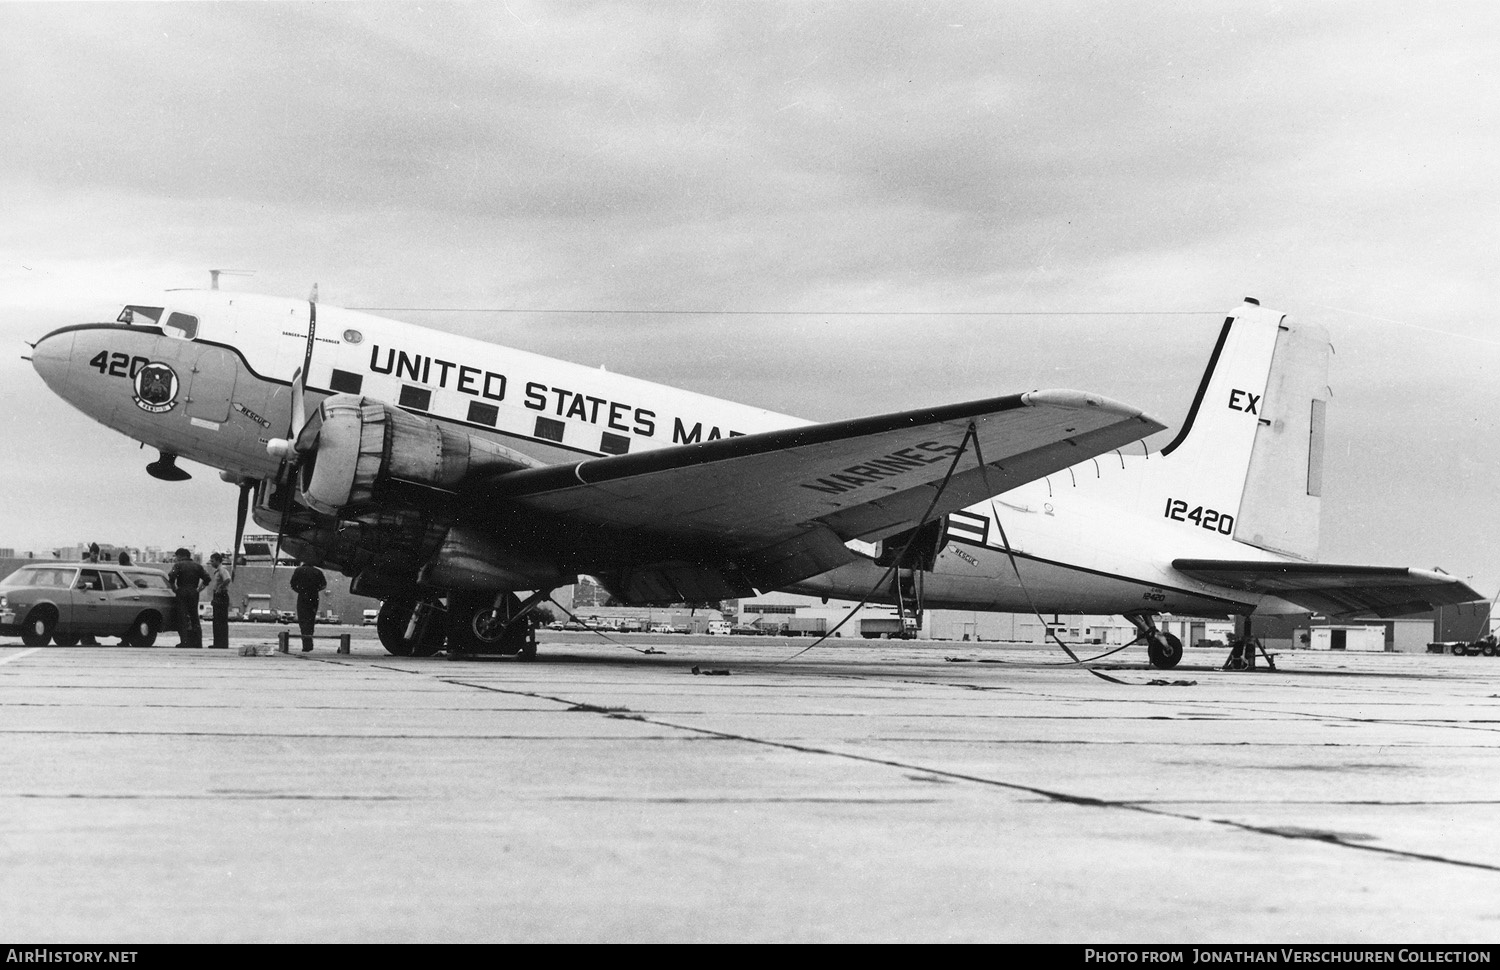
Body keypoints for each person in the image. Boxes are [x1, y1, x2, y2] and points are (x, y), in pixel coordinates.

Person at [167, 548, 211, 648]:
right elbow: (207, 578)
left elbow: (171, 576)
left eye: (177, 556)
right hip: (193, 592)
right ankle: (198, 642)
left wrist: (174, 588)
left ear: (180, 556)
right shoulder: (198, 566)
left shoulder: (178, 565)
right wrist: (199, 589)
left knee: (182, 617)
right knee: (194, 617)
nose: (176, 558)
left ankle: (185, 641)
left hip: (182, 592)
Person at [289, 561, 327, 652]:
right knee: (311, 620)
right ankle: (309, 643)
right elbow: (323, 585)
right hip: (314, 596)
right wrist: (315, 589)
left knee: (303, 620)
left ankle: (306, 644)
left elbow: (292, 584)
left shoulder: (298, 570)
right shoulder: (318, 571)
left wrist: (300, 590)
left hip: (302, 596)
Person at [206, 552, 232, 650]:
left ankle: (221, 643)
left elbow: (228, 579)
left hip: (221, 596)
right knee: (217, 620)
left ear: (217, 560)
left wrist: (220, 587)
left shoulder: (222, 570)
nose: (211, 563)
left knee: (220, 621)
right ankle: (218, 642)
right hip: (218, 596)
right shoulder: (218, 571)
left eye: (212, 561)